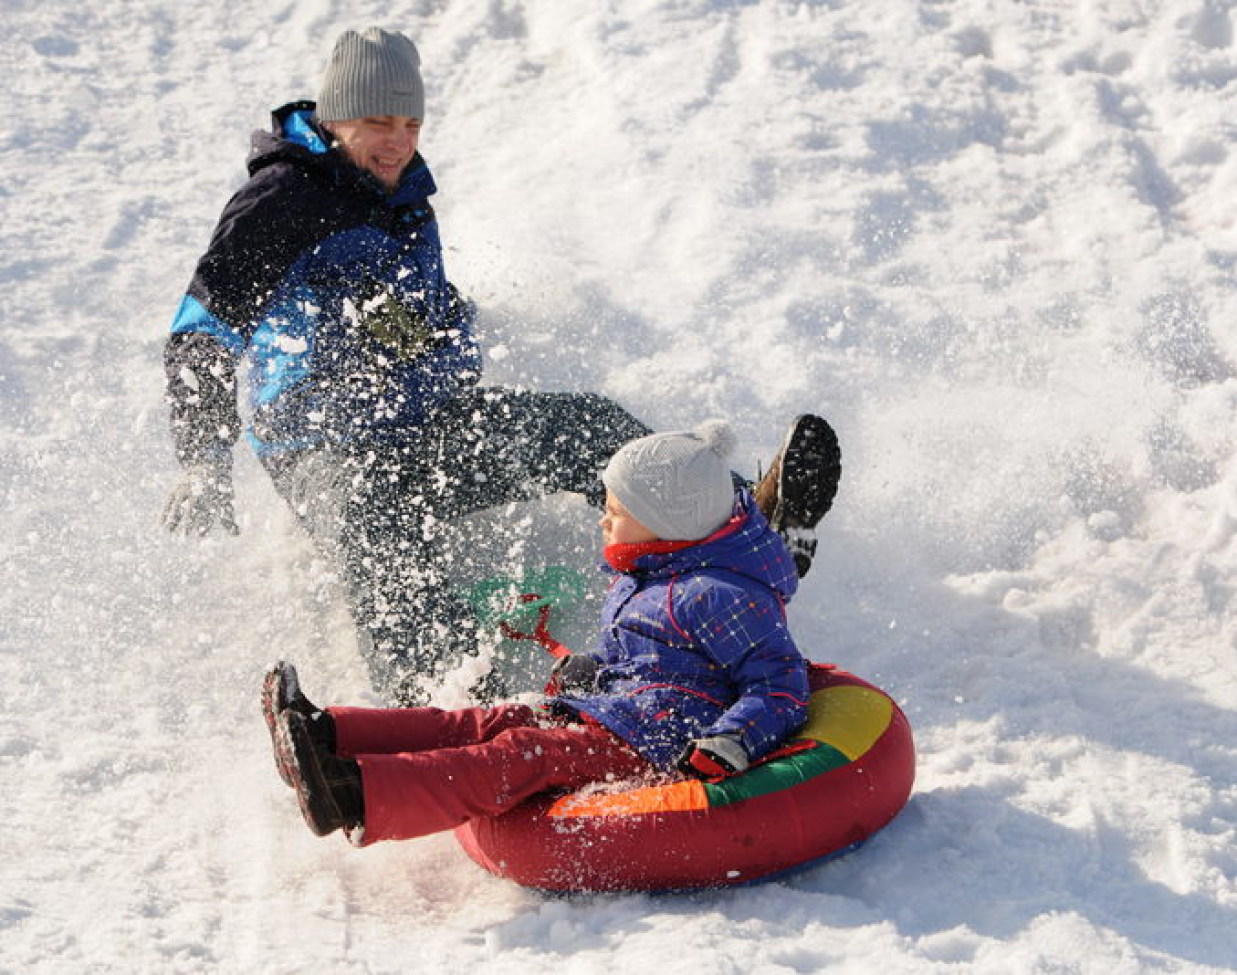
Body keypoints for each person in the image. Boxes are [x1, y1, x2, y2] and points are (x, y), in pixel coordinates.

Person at [163, 27, 840, 705]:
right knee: (376, 524)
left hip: (426, 426)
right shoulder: (281, 200)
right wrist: (202, 456)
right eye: (378, 122)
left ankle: (742, 519)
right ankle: (448, 707)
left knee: (587, 425)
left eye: (411, 123)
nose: (398, 140)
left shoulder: (401, 199)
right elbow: (201, 335)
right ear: (335, 117)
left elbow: (441, 321)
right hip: (323, 450)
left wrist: (439, 336)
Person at [262, 422, 813, 843]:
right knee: (490, 719)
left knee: (521, 752)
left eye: (617, 511)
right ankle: (329, 733)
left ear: (668, 523)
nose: (603, 520)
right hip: (618, 712)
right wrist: (596, 668)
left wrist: (734, 738)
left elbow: (780, 683)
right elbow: (655, 658)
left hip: (656, 741)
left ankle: (353, 795)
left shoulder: (721, 595)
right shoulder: (654, 575)